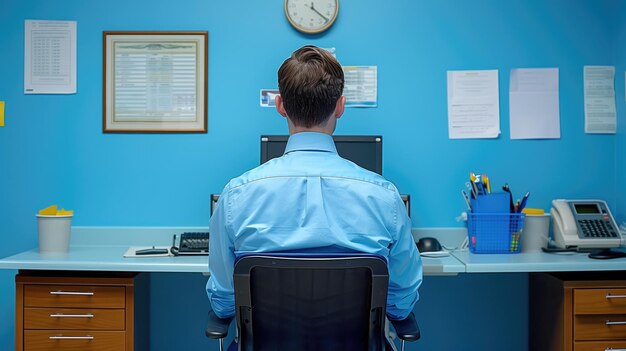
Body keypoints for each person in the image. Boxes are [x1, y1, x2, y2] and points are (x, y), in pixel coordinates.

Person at [206, 45, 422, 324]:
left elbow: (224, 302)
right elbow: (400, 303)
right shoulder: (385, 197)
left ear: (280, 105)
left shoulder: (236, 195)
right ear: (341, 106)